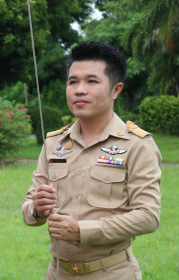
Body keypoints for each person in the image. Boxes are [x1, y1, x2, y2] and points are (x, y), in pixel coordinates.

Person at [22, 41, 161, 280]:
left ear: (115, 90)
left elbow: (148, 216)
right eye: (73, 81)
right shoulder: (54, 143)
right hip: (57, 273)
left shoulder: (137, 144)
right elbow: (29, 209)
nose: (79, 90)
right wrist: (38, 208)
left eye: (92, 81)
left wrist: (81, 231)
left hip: (112, 273)